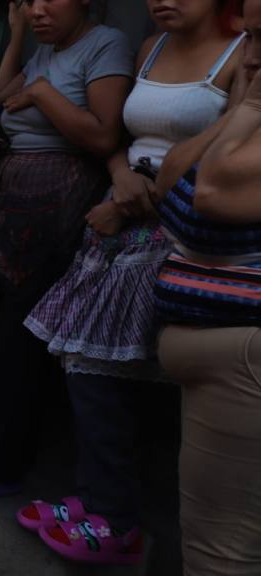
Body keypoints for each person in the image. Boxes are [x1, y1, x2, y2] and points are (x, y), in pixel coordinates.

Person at [18, 0, 241, 564]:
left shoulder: (242, 58)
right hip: (118, 217)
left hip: (177, 230)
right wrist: (120, 177)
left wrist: (138, 198)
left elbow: (228, 155)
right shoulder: (150, 47)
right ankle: (95, 498)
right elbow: (119, 138)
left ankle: (117, 518)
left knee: (112, 373)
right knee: (80, 362)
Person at [0, 0, 134, 499]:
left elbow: (103, 133)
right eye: (28, 2)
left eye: (50, 0)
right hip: (11, 206)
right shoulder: (46, 48)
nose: (38, 9)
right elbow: (5, 95)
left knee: (19, 342)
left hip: (57, 207)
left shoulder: (104, 45)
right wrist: (19, 34)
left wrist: (43, 94)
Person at [151, 0, 261, 570]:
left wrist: (249, 104)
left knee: (222, 561)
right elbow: (169, 183)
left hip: (245, 360)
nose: (250, 56)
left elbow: (207, 194)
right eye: (248, 38)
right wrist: (238, 110)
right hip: (221, 355)